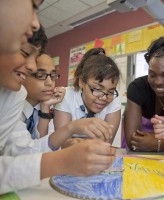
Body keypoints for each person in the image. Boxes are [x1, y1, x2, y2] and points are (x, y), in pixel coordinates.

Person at [0, 5, 115, 195]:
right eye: (25, 53)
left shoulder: (13, 95)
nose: (29, 66)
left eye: (53, 75)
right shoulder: (20, 96)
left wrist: (71, 128)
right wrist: (61, 160)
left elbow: (21, 151)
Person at [54, 47, 122, 145]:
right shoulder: (66, 97)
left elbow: (105, 144)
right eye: (97, 89)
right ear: (81, 82)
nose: (104, 97)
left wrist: (75, 142)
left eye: (111, 91)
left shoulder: (113, 100)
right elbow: (63, 144)